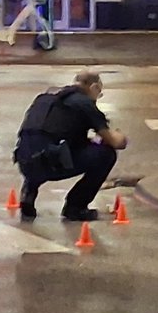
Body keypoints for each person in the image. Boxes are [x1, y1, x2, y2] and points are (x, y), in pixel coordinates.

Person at [14, 70, 128, 222]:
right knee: (106, 154)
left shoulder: (45, 99)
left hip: (25, 163)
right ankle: (76, 207)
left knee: (40, 148)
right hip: (51, 164)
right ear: (94, 87)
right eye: (99, 93)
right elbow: (114, 141)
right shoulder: (84, 103)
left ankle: (29, 192)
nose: (97, 98)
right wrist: (121, 137)